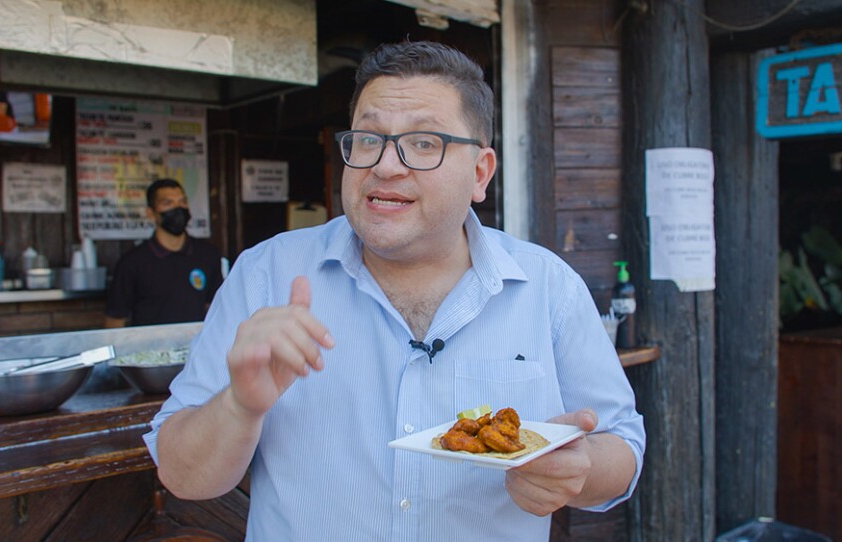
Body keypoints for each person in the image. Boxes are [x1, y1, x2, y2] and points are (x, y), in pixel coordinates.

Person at [145, 41, 645, 541]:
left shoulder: (547, 287)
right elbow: (182, 476)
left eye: (424, 143)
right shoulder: (266, 275)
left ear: (480, 173)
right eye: (368, 138)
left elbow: (620, 446)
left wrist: (577, 472)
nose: (385, 166)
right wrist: (240, 406)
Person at [104, 178, 223, 327]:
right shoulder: (133, 263)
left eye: (182, 202)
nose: (178, 208)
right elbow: (115, 320)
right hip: (149, 348)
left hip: (197, 347)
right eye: (168, 203)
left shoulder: (207, 255)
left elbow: (216, 309)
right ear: (151, 213)